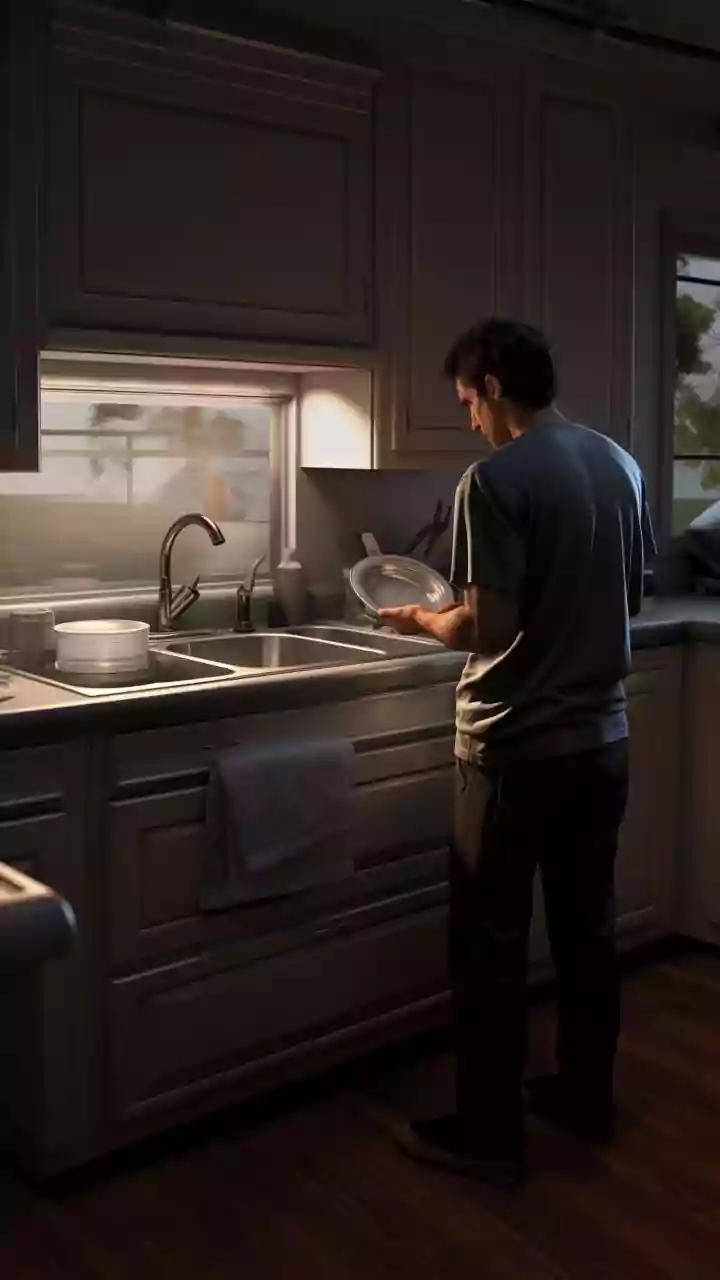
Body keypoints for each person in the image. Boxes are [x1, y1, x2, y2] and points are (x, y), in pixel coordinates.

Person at [379, 317, 656, 1187]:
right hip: (602, 742)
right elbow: (631, 601)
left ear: (494, 388)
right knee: (586, 928)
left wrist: (423, 619)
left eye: (469, 401)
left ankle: (488, 1130)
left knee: (490, 943)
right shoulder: (619, 463)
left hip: (515, 749)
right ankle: (584, 1094)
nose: (470, 420)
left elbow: (487, 627)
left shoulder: (494, 480)